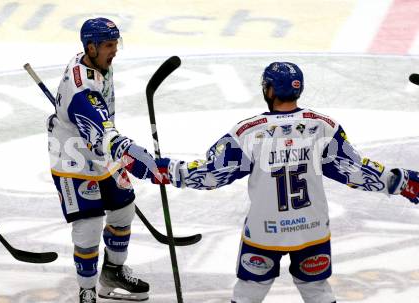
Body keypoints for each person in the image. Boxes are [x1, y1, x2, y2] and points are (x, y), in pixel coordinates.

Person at [152, 62, 419, 303]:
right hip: (312, 230)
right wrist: (400, 182)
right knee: (317, 291)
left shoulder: (249, 131)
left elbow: (212, 174)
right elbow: (355, 170)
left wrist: (171, 171)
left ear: (269, 90)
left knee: (248, 292)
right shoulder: (323, 126)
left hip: (265, 232)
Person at [47, 17, 159, 303]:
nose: (115, 50)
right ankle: (87, 289)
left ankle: (112, 273)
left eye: (115, 44)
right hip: (73, 158)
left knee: (123, 209)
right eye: (109, 45)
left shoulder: (94, 61)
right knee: (90, 222)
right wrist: (131, 152)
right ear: (91, 46)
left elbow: (98, 125)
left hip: (100, 152)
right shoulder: (82, 89)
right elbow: (103, 131)